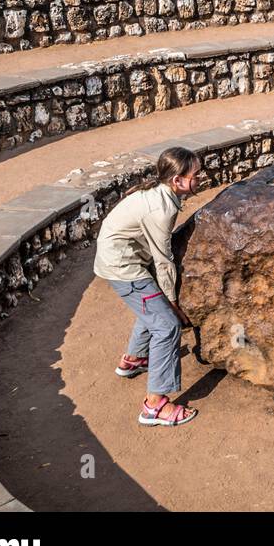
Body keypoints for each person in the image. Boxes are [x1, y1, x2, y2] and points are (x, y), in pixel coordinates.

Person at [93, 147, 202, 428]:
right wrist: (173, 303)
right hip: (124, 267)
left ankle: (134, 359)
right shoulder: (161, 208)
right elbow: (163, 260)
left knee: (151, 311)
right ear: (177, 180)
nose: (201, 178)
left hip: (121, 259)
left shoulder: (162, 194)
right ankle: (155, 406)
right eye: (196, 175)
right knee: (167, 325)